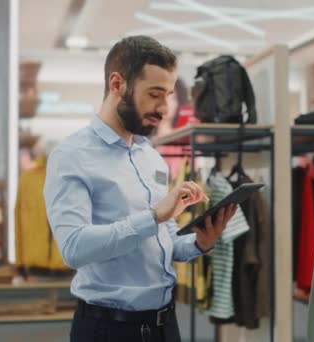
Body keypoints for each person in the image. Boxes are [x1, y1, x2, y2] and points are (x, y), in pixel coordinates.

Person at [43, 35, 237, 342]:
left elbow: (166, 242)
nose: (163, 108)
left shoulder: (152, 158)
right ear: (117, 84)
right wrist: (153, 217)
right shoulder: (71, 156)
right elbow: (74, 248)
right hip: (107, 330)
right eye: (154, 94)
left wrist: (200, 242)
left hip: (165, 326)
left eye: (168, 95)